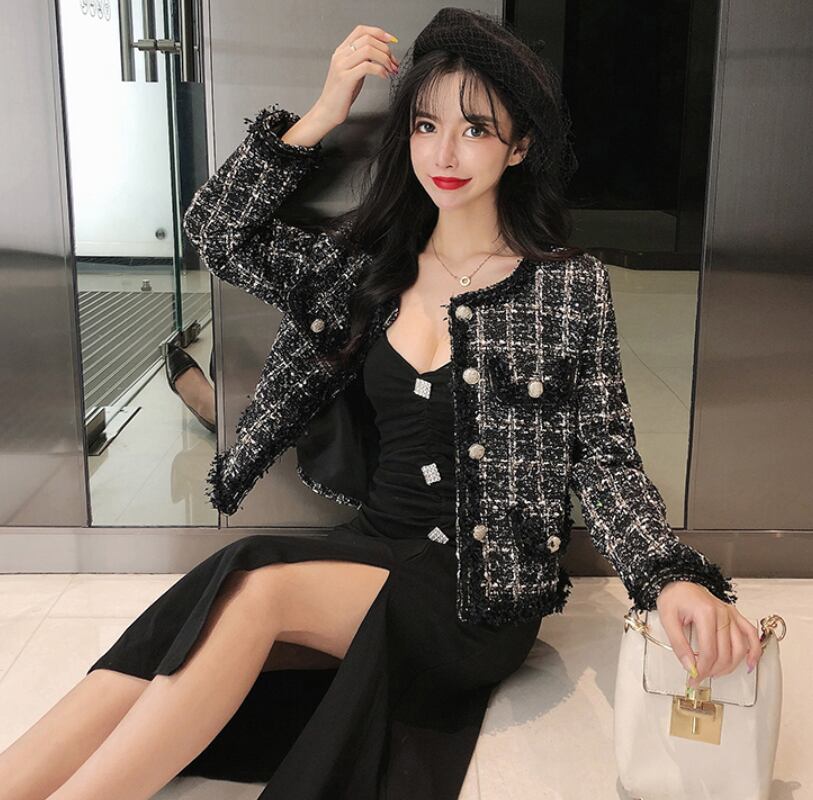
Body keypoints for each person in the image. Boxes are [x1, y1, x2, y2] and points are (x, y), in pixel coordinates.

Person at [0, 10, 762, 800]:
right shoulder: (364, 266)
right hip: (373, 551)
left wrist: (668, 577)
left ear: (519, 146)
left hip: (475, 597)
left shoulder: (564, 288)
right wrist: (322, 111)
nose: (443, 153)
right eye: (426, 125)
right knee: (209, 600)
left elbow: (603, 458)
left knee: (255, 584)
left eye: (474, 129)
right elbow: (218, 233)